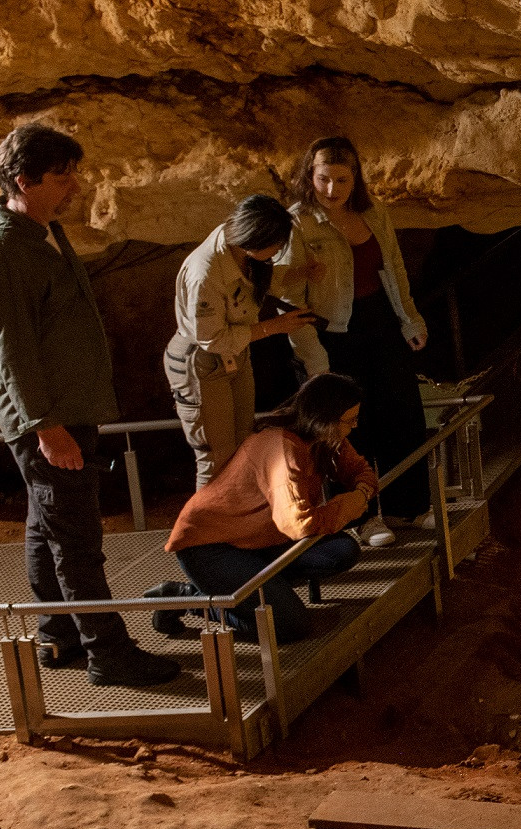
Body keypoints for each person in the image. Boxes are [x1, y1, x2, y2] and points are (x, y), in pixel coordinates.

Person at [0, 123, 180, 690]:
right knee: (78, 541)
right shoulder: (3, 250)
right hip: (49, 419)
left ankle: (58, 633)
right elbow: (12, 352)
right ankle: (107, 652)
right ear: (21, 180)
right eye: (62, 176)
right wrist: (45, 427)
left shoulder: (40, 231)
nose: (75, 186)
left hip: (64, 409)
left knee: (46, 529)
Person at [277, 135, 431, 548]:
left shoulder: (372, 212)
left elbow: (393, 267)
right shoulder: (297, 223)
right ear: (309, 176)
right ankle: (359, 519)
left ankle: (408, 507)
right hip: (331, 333)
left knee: (401, 411)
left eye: (342, 180)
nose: (332, 189)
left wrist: (410, 319)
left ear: (355, 179)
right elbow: (287, 298)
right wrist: (313, 355)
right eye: (324, 179)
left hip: (379, 321)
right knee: (343, 428)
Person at [154, 373, 377, 645]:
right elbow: (299, 524)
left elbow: (359, 470)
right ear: (325, 417)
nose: (353, 427)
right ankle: (185, 598)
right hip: (212, 547)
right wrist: (351, 502)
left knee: (341, 551)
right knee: (289, 626)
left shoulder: (324, 435)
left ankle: (262, 591)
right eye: (350, 420)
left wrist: (362, 490)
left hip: (262, 538)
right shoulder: (280, 448)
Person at [164, 194, 314, 488]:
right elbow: (212, 338)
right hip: (204, 365)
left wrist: (302, 273)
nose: (279, 251)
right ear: (254, 238)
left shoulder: (241, 251)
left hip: (236, 357)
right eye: (276, 245)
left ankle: (237, 527)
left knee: (243, 448)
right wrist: (276, 326)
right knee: (216, 458)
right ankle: (209, 532)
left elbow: (259, 279)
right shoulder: (205, 273)